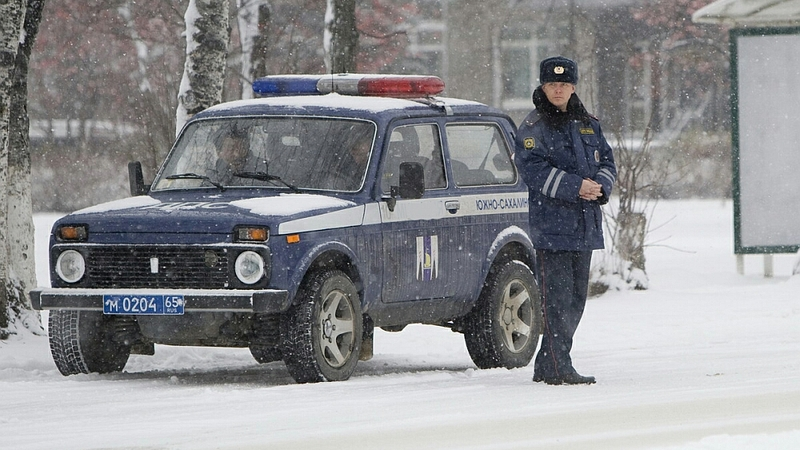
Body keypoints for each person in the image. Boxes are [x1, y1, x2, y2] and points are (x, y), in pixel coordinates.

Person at [514, 56, 617, 385]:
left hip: (584, 227)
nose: (558, 89)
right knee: (556, 303)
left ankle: (549, 364)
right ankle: (559, 366)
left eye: (564, 84)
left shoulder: (589, 123)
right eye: (552, 84)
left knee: (575, 300)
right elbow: (533, 171)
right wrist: (577, 187)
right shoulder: (533, 128)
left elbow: (608, 162)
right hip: (553, 229)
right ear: (543, 87)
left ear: (573, 87)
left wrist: (600, 187)